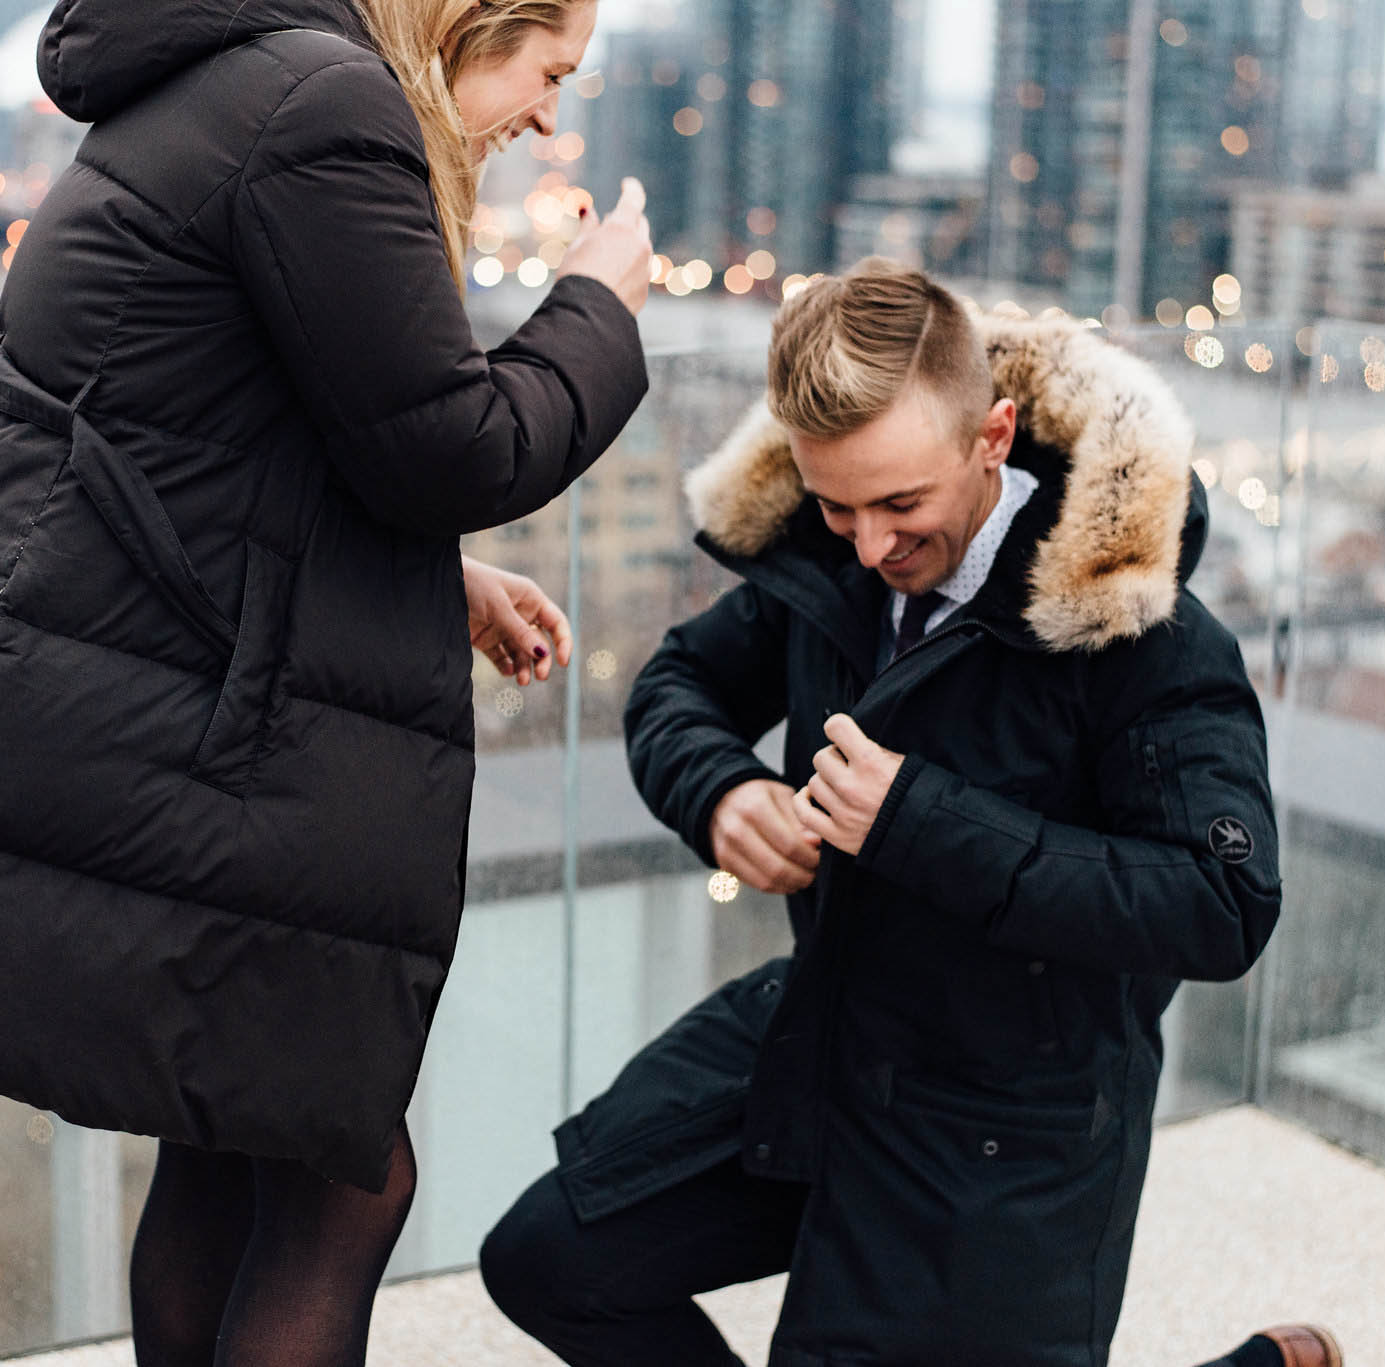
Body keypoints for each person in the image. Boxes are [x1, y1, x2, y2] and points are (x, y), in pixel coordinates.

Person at [0, 0, 652, 1363]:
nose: (552, 112)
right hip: (188, 726)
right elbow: (458, 451)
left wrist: (435, 583)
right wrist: (600, 303)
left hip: (138, 696)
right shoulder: (327, 106)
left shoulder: (235, 83)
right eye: (550, 68)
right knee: (347, 1184)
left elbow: (206, 435)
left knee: (229, 1146)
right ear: (470, 19)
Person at [481, 260, 1338, 1367]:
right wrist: (721, 790)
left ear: (991, 435)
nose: (869, 545)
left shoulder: (1145, 637)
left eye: (899, 503)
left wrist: (918, 818)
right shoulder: (830, 563)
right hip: (818, 1037)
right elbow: (677, 683)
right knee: (550, 1255)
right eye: (833, 502)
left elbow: (1220, 903)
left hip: (1005, 1128)